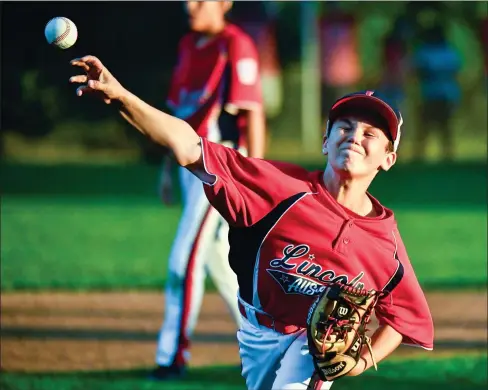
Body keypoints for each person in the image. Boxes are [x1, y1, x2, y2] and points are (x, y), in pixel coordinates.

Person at [69, 51, 434, 388]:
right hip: (256, 332)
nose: (354, 137)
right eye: (344, 127)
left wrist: (355, 364)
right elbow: (189, 146)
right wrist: (121, 98)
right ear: (325, 141)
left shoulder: (384, 243)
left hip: (312, 347)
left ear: (388, 158)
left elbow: (404, 318)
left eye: (371, 134)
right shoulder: (280, 189)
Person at [154, 0, 266, 379]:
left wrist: (255, 176)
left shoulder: (236, 44)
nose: (190, 5)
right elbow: (177, 120)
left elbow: (252, 112)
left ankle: (171, 356)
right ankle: (263, 339)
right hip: (190, 165)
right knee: (218, 257)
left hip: (219, 166)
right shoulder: (188, 46)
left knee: (184, 259)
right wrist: (167, 170)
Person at [412, 23, 461, 161]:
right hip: (444, 93)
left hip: (431, 93)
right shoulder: (449, 51)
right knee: (442, 127)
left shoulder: (425, 51)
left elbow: (419, 72)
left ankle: (421, 155)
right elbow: (455, 71)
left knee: (428, 126)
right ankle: (446, 155)